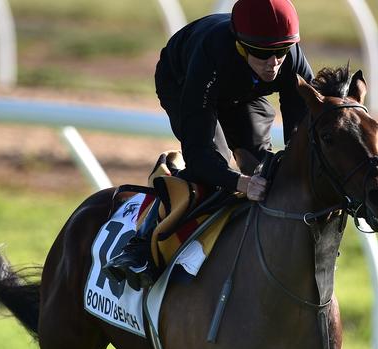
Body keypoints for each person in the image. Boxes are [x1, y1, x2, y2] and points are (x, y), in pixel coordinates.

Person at [104, 0, 315, 290]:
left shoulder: (290, 58)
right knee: (215, 175)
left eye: (281, 51)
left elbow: (300, 135)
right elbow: (202, 156)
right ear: (241, 45)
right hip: (184, 81)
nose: (274, 63)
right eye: (263, 53)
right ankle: (140, 245)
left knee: (263, 168)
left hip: (244, 92)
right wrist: (239, 182)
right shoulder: (211, 54)